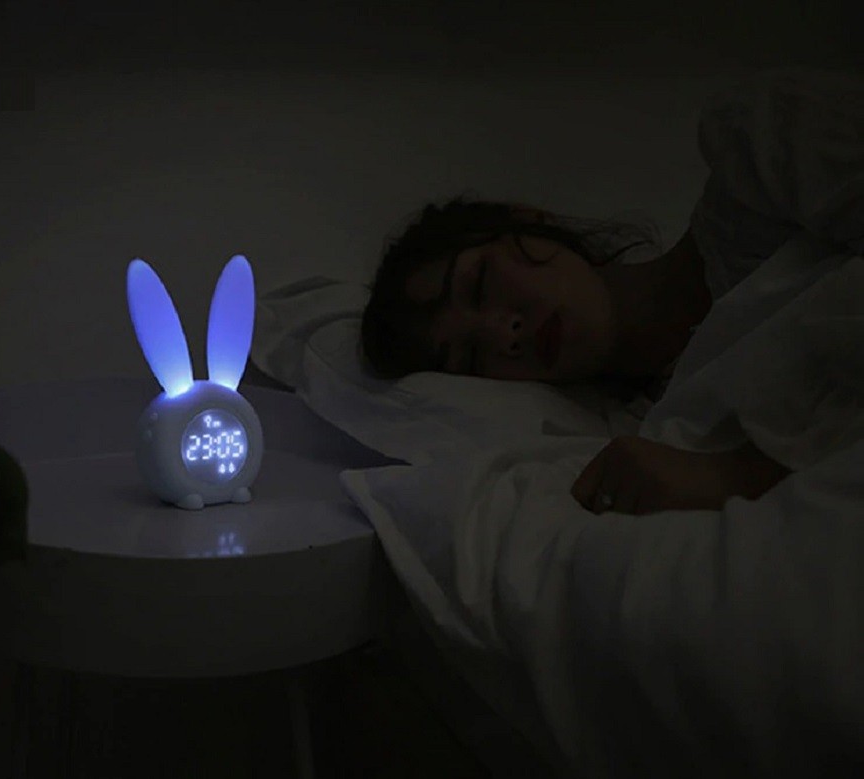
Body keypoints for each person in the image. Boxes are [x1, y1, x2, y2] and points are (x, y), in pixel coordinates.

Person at [358, 68, 863, 517]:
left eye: (479, 285)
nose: (502, 333)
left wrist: (749, 471)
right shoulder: (651, 434)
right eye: (471, 357)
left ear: (528, 220)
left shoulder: (762, 152)